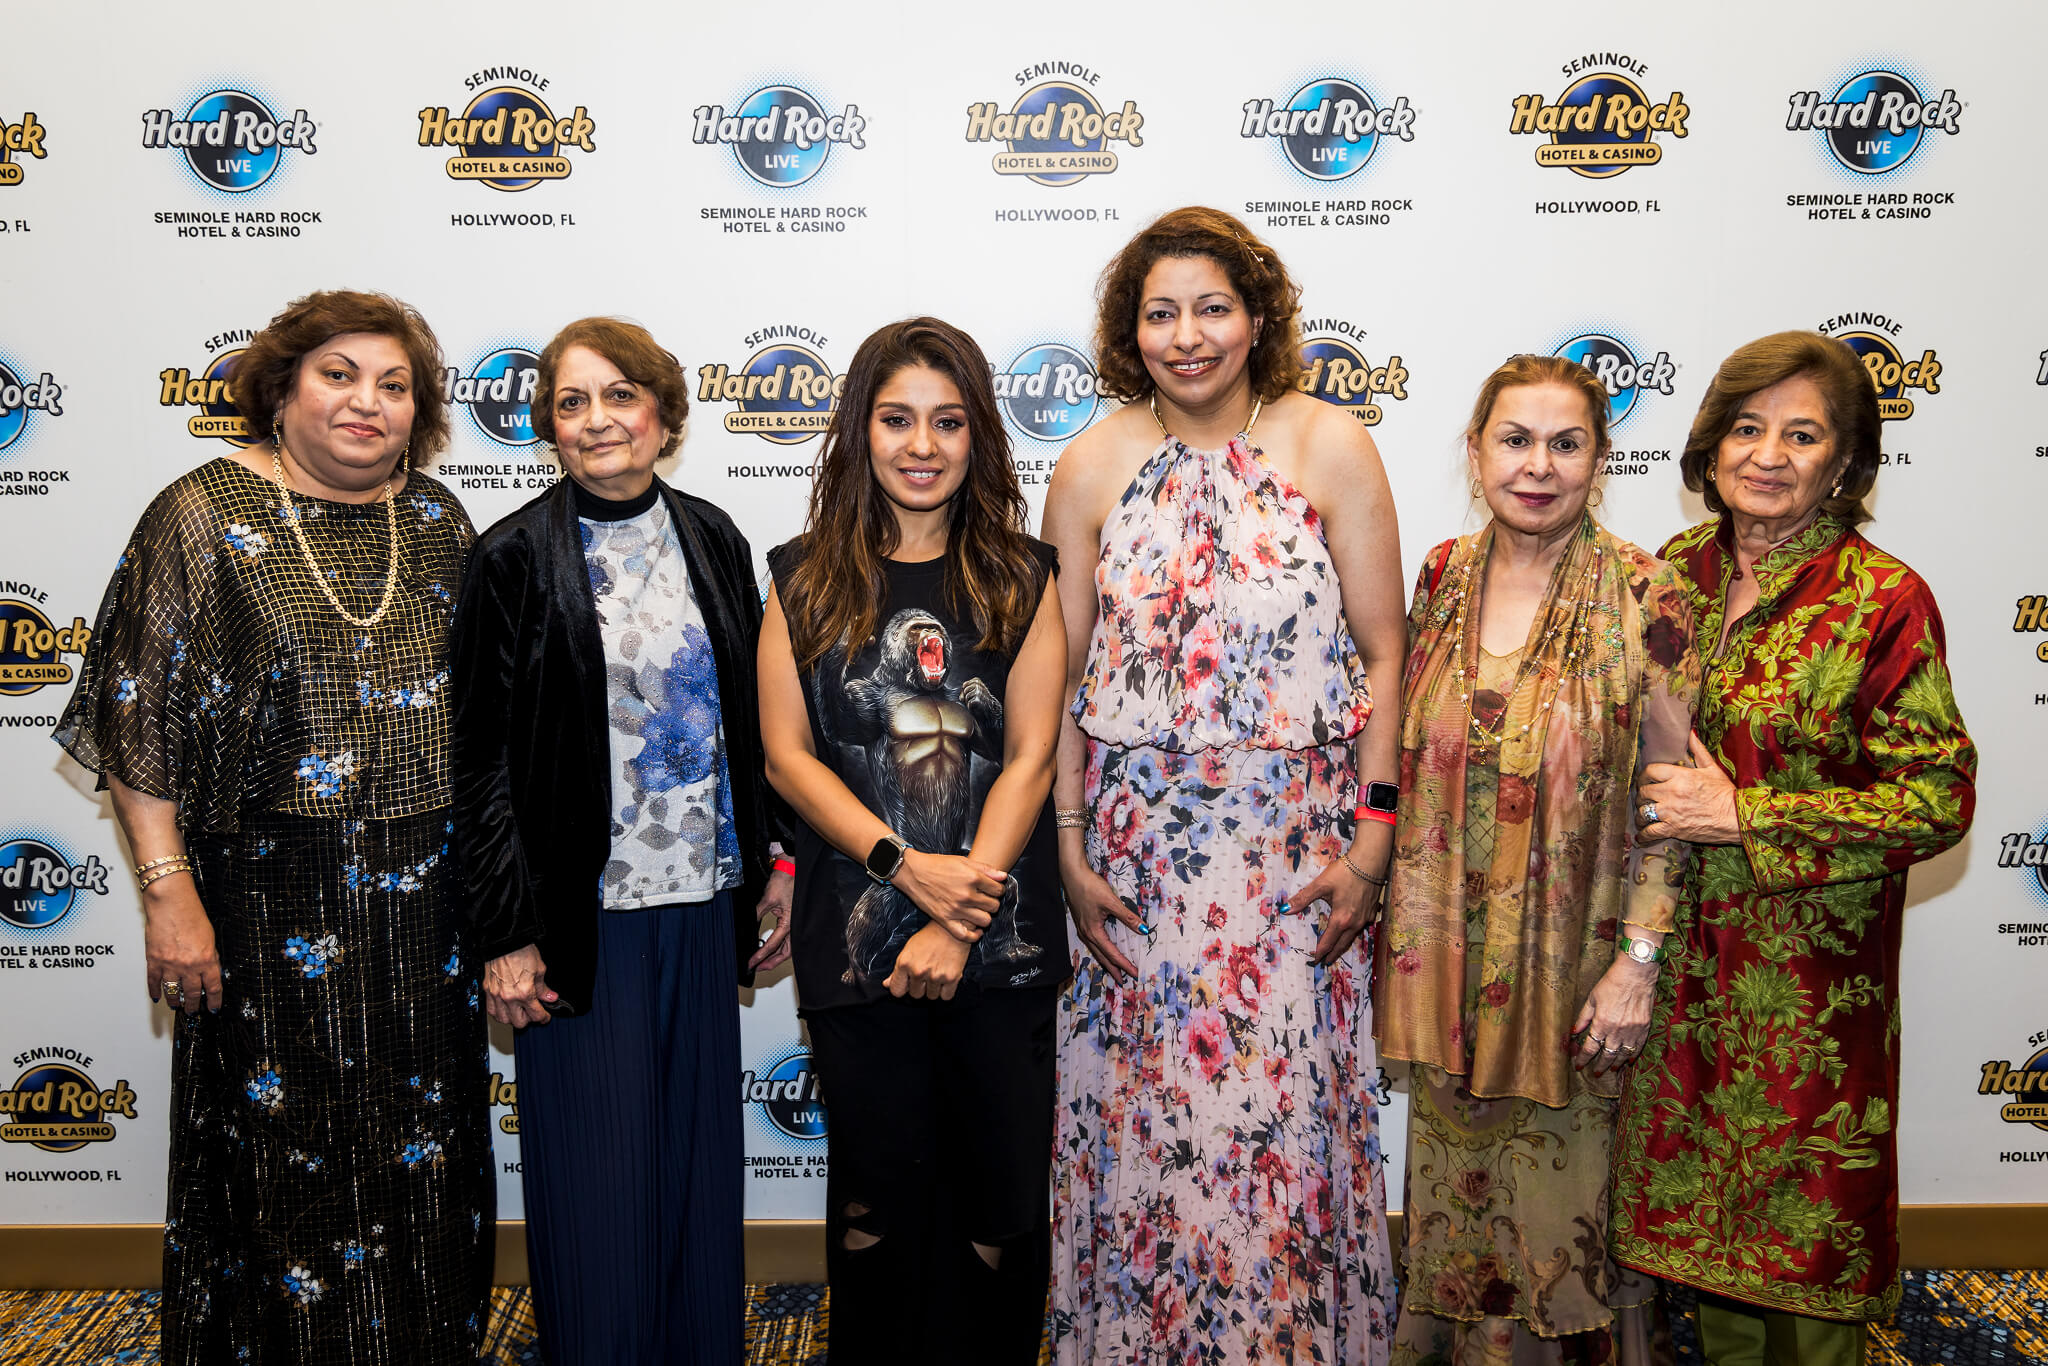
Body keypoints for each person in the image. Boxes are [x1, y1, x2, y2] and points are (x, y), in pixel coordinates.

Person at [55, 290, 492, 1363]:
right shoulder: (198, 515)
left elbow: (491, 723)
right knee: (281, 1172)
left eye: (394, 385)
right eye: (339, 374)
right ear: (283, 387)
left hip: (430, 915)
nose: (366, 402)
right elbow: (140, 722)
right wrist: (168, 895)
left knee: (429, 1165)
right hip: (266, 908)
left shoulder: (440, 522)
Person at [1042, 206, 1403, 1363]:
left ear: (1255, 319)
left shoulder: (1328, 444)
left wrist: (1371, 842)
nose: (1186, 335)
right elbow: (1059, 678)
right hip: (1136, 868)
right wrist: (1066, 848)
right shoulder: (1089, 463)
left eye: (1210, 308)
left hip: (1294, 865)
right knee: (1147, 1127)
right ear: (1129, 329)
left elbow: (1385, 654)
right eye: (1160, 313)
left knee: (1280, 1134)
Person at [1611, 331, 1977, 1365]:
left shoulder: (1882, 599)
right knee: (1702, 1245)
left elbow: (1938, 798)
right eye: (1746, 427)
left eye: (1801, 435)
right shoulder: (1673, 569)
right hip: (1677, 972)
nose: (1766, 454)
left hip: (1810, 996)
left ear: (1845, 462)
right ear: (1709, 444)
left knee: (1806, 1248)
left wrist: (1749, 815)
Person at [448, 317, 790, 1366]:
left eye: (619, 395)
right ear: (548, 427)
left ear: (663, 415)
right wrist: (504, 935)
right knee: (596, 1184)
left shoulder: (713, 536)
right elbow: (479, 764)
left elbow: (754, 725)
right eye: (571, 402)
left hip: (703, 903)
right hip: (579, 925)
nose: (597, 420)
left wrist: (775, 865)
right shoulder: (511, 557)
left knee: (694, 1172)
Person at [1375, 355, 1700, 1365]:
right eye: (1514, 440)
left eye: (1566, 444)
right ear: (1475, 451)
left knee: (1563, 1226)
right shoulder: (1439, 576)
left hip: (1576, 976)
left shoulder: (1648, 591)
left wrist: (1636, 965)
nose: (1538, 466)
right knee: (1455, 1215)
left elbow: (1674, 797)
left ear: (1599, 461)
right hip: (1445, 972)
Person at [758, 317, 1068, 1365]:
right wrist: (906, 874)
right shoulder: (802, 580)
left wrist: (958, 913)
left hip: (999, 942)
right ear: (861, 431)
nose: (921, 445)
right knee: (875, 1207)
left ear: (979, 436)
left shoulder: (1022, 577)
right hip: (859, 944)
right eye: (896, 419)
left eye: (947, 421)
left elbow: (1030, 757)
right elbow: (788, 758)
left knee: (999, 1212)